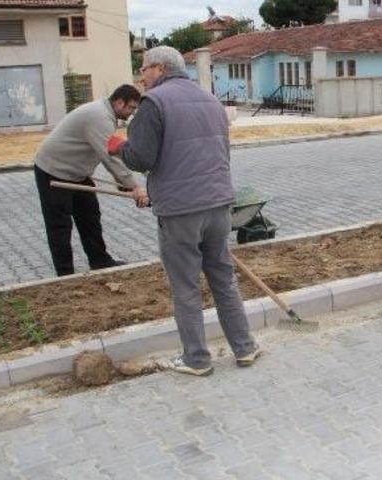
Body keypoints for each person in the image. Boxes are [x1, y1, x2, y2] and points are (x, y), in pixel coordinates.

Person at [108, 46, 261, 376]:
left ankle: (196, 359)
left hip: (180, 211)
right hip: (218, 204)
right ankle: (245, 347)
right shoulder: (210, 99)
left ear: (160, 68)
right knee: (223, 279)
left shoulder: (154, 103)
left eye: (144, 69)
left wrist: (120, 147)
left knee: (186, 286)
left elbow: (142, 158)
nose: (141, 76)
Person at [34, 85, 149, 276]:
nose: (132, 113)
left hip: (77, 174)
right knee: (60, 226)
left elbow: (111, 151)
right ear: (119, 102)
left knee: (90, 217)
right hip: (53, 171)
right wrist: (134, 186)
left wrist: (124, 181)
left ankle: (99, 261)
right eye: (131, 108)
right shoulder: (99, 117)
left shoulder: (106, 114)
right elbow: (109, 157)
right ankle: (65, 274)